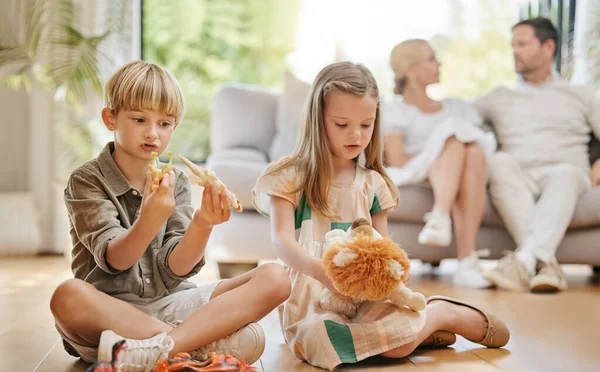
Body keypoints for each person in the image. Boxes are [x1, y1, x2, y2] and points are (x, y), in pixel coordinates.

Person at [252, 62, 509, 371]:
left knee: (396, 339)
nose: (356, 134)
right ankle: (417, 331)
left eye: (366, 124)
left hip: (365, 295)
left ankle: (440, 314)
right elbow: (281, 240)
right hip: (311, 296)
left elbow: (384, 242)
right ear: (317, 120)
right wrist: (321, 272)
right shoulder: (291, 175)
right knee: (318, 337)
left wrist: (396, 274)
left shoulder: (372, 182)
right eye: (342, 124)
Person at [49, 60, 291, 371]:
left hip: (171, 304)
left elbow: (176, 269)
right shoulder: (86, 181)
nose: (153, 133)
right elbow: (115, 259)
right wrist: (149, 219)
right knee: (67, 296)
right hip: (111, 312)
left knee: (276, 278)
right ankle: (191, 348)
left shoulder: (175, 182)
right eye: (139, 119)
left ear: (174, 126)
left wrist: (203, 224)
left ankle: (151, 353)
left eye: (164, 124)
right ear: (111, 118)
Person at [474, 17, 600, 292]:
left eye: (522, 44)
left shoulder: (582, 94)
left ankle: (523, 261)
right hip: (517, 177)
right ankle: (543, 265)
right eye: (513, 45)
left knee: (565, 173)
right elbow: (454, 117)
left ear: (548, 47)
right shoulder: (498, 97)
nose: (515, 51)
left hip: (565, 174)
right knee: (498, 161)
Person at [381, 39, 496, 288]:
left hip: (468, 170)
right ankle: (463, 253)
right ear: (410, 69)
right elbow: (398, 160)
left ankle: (442, 221)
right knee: (452, 136)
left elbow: (477, 149)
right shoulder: (396, 111)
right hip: (417, 171)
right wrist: (441, 152)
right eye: (431, 59)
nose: (439, 63)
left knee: (472, 153)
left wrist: (450, 155)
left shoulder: (455, 107)